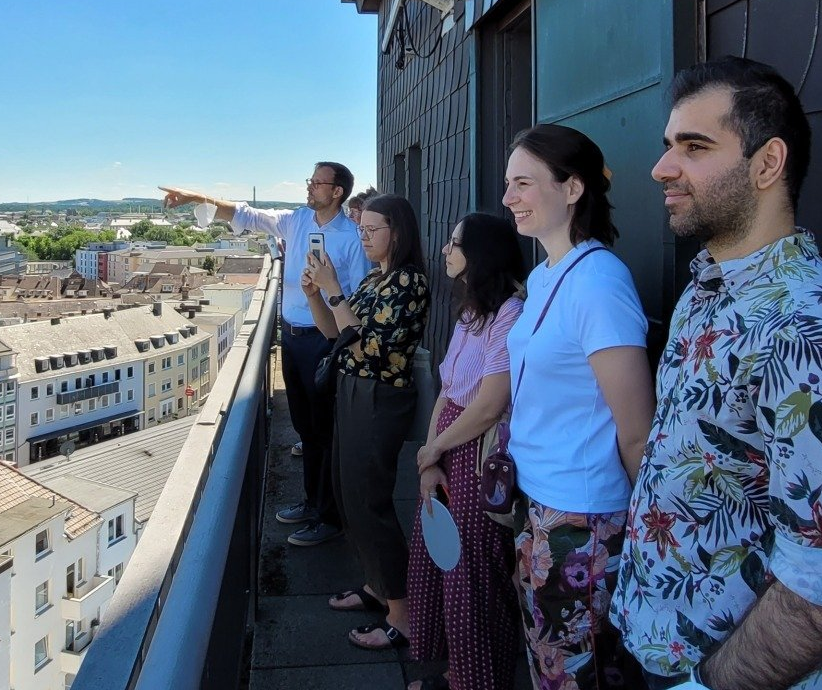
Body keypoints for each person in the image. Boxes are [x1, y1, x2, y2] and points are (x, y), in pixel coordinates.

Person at [610, 56, 822, 690]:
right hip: (657, 639)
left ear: (767, 163)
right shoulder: (706, 287)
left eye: (694, 147)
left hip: (727, 670)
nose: (661, 168)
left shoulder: (800, 327)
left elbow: (814, 585)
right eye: (668, 145)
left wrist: (706, 684)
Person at [502, 123, 656, 689]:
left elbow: (636, 431)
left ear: (572, 188)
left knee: (574, 673)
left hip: (582, 515)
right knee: (549, 663)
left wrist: (650, 534)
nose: (508, 197)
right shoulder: (545, 275)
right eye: (507, 183)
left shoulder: (598, 282)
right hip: (539, 500)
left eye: (523, 183)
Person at [161, 163, 372, 547]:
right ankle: (312, 503)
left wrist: (331, 293)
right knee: (306, 428)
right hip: (292, 337)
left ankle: (329, 517)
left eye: (317, 182)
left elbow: (360, 296)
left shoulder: (351, 238)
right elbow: (248, 215)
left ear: (337, 191)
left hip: (325, 340)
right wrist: (196, 198)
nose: (309, 187)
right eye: (310, 181)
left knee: (324, 429)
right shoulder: (297, 221)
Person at [302, 193, 430, 651]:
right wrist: (315, 296)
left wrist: (334, 287)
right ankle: (378, 585)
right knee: (348, 493)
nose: (365, 237)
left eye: (372, 229)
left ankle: (403, 613)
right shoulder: (378, 277)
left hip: (379, 395)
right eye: (362, 229)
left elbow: (368, 347)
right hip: (354, 391)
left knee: (369, 501)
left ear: (398, 231)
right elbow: (334, 332)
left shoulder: (409, 282)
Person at [408, 213, 526, 690]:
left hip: (478, 452)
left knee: (473, 572)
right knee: (439, 554)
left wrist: (435, 447)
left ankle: (478, 679)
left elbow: (490, 404)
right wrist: (430, 457)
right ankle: (457, 669)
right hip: (449, 447)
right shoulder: (470, 314)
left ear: (480, 254)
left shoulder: (510, 315)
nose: (445, 250)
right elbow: (448, 389)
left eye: (454, 243)